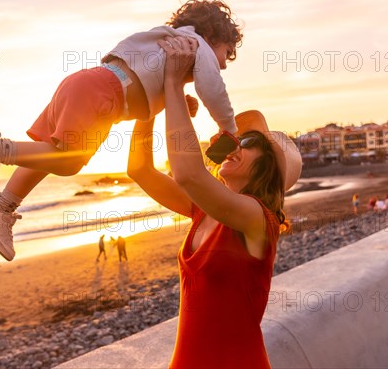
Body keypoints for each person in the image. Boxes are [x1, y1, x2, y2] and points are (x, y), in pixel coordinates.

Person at [0, 0, 244, 262]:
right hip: (106, 95)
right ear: (212, 36)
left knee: (50, 155)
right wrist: (228, 128)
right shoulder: (196, 44)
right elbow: (213, 89)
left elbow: (148, 83)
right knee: (70, 160)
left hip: (91, 84)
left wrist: (172, 101)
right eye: (226, 53)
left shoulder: (162, 44)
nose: (224, 65)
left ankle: (1, 208)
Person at [127, 35, 302, 368]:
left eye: (248, 142)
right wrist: (153, 106)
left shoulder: (258, 220)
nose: (234, 144)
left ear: (266, 166)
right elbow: (139, 168)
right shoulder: (202, 211)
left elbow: (189, 174)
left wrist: (173, 83)